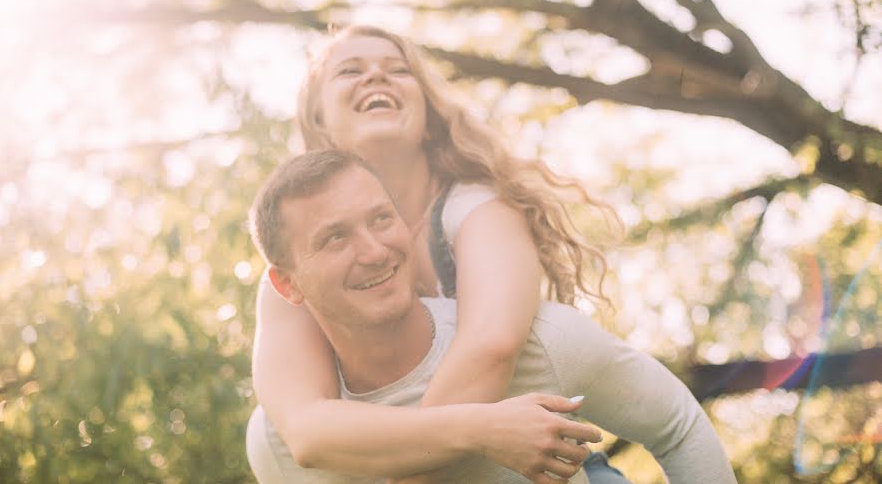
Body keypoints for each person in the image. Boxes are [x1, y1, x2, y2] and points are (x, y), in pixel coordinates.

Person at [249, 25, 620, 482]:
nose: (375, 78)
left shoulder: (476, 210)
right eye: (350, 70)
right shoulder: (293, 271)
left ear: (427, 116)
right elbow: (305, 428)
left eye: (398, 70)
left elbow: (490, 349)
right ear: (318, 119)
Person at [246, 150, 737, 483]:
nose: (375, 251)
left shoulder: (544, 342)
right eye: (335, 238)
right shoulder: (277, 445)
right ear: (287, 284)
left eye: (381, 219)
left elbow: (676, 424)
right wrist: (484, 429)